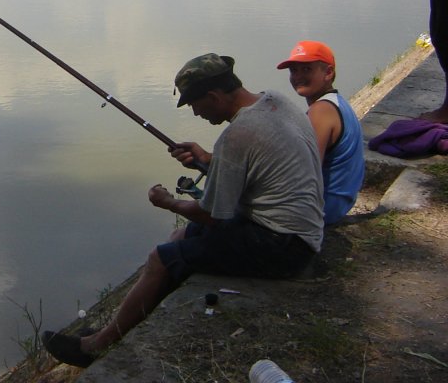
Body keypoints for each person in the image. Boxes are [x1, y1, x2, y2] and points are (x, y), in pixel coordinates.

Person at [42, 53, 324, 369]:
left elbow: (214, 215)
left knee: (160, 258)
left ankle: (94, 346)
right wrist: (207, 157)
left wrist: (169, 202)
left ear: (214, 97)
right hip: (299, 229)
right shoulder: (274, 102)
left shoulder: (237, 135)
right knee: (180, 236)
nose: (195, 112)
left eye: (195, 104)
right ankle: (127, 322)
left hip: (284, 246)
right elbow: (255, 166)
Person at [277, 40, 365, 225]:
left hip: (325, 207)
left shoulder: (321, 111)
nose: (298, 76)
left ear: (328, 72)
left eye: (307, 69)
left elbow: (303, 171)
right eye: (294, 70)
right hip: (341, 201)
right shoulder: (337, 102)